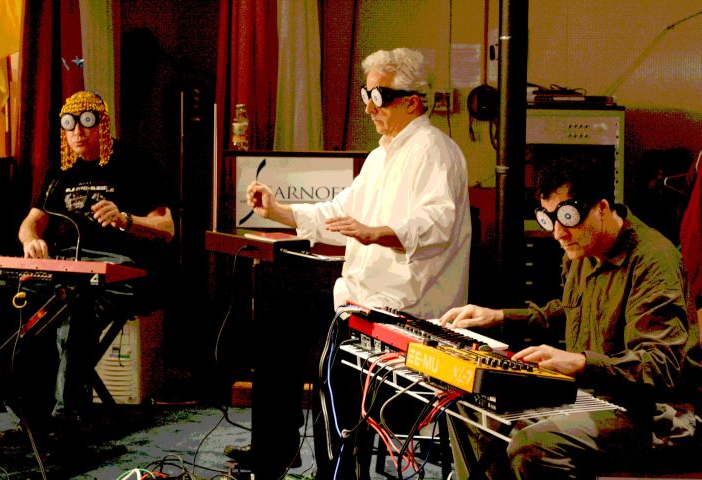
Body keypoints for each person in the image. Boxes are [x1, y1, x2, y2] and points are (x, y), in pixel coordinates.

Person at [226, 47, 472, 479]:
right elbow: (340, 214)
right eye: (366, 95)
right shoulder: (381, 157)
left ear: (413, 102)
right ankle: (277, 448)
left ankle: (325, 465)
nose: (368, 107)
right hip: (365, 299)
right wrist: (279, 211)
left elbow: (436, 224)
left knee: (292, 315)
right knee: (276, 296)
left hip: (406, 308)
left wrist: (377, 232)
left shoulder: (434, 151)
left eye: (379, 97)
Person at [438, 153, 702, 479]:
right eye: (549, 219)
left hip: (658, 412)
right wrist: (499, 316)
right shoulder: (581, 250)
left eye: (568, 217)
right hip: (591, 396)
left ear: (601, 208)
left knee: (534, 445)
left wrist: (579, 362)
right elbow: (569, 309)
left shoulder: (653, 259)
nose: (558, 233)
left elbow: (659, 366)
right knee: (468, 407)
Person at [0, 90, 174, 450]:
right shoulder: (61, 172)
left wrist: (126, 219)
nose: (78, 132)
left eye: (87, 122)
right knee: (13, 307)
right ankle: (31, 417)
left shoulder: (134, 162)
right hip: (66, 265)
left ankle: (66, 418)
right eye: (70, 125)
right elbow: (31, 223)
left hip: (117, 269)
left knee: (73, 308)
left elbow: (167, 228)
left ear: (103, 124)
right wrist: (30, 241)